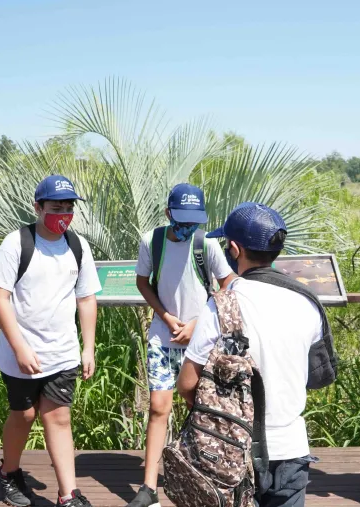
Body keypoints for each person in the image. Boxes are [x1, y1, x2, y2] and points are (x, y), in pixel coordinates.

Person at [177, 203, 322, 507]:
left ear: (233, 249)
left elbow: (187, 384)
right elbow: (315, 373)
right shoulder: (308, 301)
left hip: (231, 451)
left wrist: (215, 414)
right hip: (292, 448)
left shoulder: (222, 305)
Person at [0, 175, 100, 507]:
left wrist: (88, 346)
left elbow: (86, 298)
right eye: (56, 207)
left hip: (62, 353)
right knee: (22, 415)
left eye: (69, 208)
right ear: (37, 207)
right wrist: (19, 346)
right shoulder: (17, 242)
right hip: (19, 355)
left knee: (58, 417)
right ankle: (9, 472)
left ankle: (68, 494)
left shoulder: (77, 245)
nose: (63, 214)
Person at [127, 183, 235, 507]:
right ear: (168, 213)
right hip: (163, 336)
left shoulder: (207, 245)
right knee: (158, 408)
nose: (187, 227)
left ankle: (210, 478)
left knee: (200, 408)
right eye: (182, 219)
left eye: (194, 220)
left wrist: (198, 324)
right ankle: (148, 488)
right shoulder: (152, 241)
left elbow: (229, 285)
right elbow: (142, 281)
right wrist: (165, 315)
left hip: (200, 341)